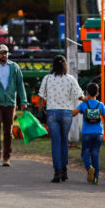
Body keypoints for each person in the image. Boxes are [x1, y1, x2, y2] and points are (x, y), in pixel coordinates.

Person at [38, 54, 83, 182]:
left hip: (52, 113)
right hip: (66, 114)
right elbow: (79, 95)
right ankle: (64, 170)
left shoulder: (47, 78)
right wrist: (89, 99)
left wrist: (40, 110)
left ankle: (57, 173)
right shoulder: (70, 79)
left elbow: (41, 97)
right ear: (65, 65)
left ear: (53, 65)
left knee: (56, 143)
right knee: (64, 141)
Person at [72, 83, 105, 185]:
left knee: (85, 153)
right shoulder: (100, 105)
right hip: (98, 134)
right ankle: (95, 178)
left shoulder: (84, 104)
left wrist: (82, 101)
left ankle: (89, 168)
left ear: (86, 92)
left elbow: (73, 113)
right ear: (98, 93)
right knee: (95, 154)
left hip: (87, 134)